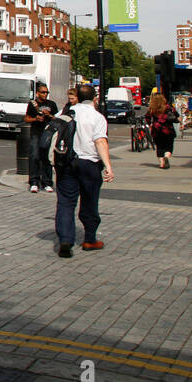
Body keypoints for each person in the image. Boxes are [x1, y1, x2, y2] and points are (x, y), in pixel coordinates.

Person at [55, 83, 115, 258]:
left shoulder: (65, 114)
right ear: (94, 98)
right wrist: (108, 167)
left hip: (66, 162)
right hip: (89, 164)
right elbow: (100, 142)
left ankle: (66, 240)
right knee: (89, 201)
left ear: (77, 97)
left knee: (66, 202)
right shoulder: (97, 117)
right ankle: (89, 239)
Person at [25, 82, 58, 193]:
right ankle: (34, 182)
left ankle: (47, 182)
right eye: (43, 92)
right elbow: (26, 118)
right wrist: (36, 119)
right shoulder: (32, 104)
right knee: (34, 156)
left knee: (47, 158)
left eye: (47, 92)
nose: (45, 94)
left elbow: (57, 120)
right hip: (36, 133)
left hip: (48, 133)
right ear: (37, 93)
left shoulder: (52, 104)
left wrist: (49, 115)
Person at [146, 91, 179, 169]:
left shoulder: (151, 108)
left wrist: (150, 124)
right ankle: (166, 157)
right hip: (168, 129)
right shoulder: (168, 107)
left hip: (156, 130)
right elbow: (176, 115)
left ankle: (161, 163)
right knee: (169, 146)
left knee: (159, 146)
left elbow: (147, 117)